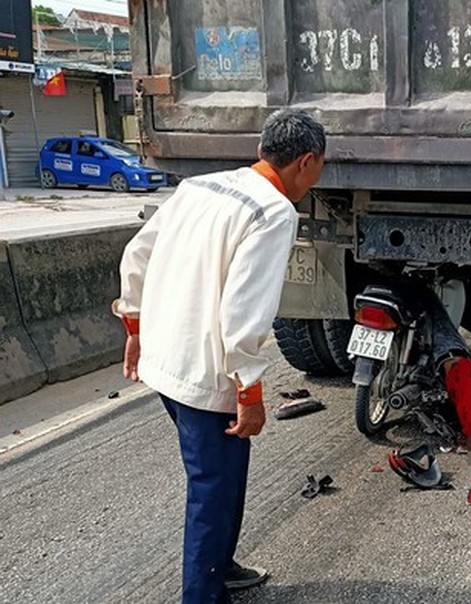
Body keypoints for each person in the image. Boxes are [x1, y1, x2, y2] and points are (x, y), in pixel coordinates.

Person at [112, 108, 326, 603]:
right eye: (320, 169)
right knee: (212, 487)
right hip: (207, 375)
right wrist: (249, 390)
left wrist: (134, 325)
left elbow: (137, 255)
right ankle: (202, 594)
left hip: (166, 358)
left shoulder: (200, 186)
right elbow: (245, 311)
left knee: (226, 474)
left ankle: (220, 565)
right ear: (306, 162)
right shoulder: (275, 212)